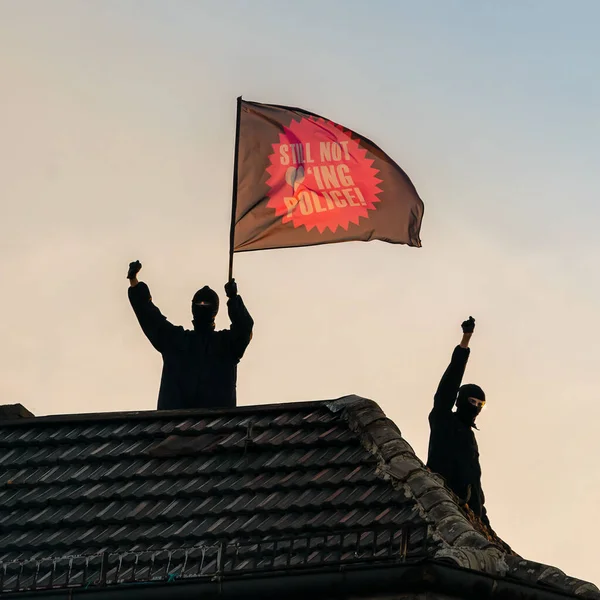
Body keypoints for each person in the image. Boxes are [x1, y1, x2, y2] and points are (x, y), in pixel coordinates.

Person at [126, 260, 254, 410]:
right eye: (200, 304)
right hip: (177, 425)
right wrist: (134, 282)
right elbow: (149, 316)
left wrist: (234, 300)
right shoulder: (181, 341)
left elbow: (244, 330)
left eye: (206, 304)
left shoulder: (222, 344)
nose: (202, 307)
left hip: (214, 427)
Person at [427, 316, 491, 528]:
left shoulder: (469, 436)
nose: (476, 408)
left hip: (469, 513)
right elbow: (449, 383)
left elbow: (474, 478)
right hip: (441, 502)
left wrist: (482, 517)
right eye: (472, 402)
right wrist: (465, 341)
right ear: (461, 401)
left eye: (480, 404)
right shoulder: (443, 419)